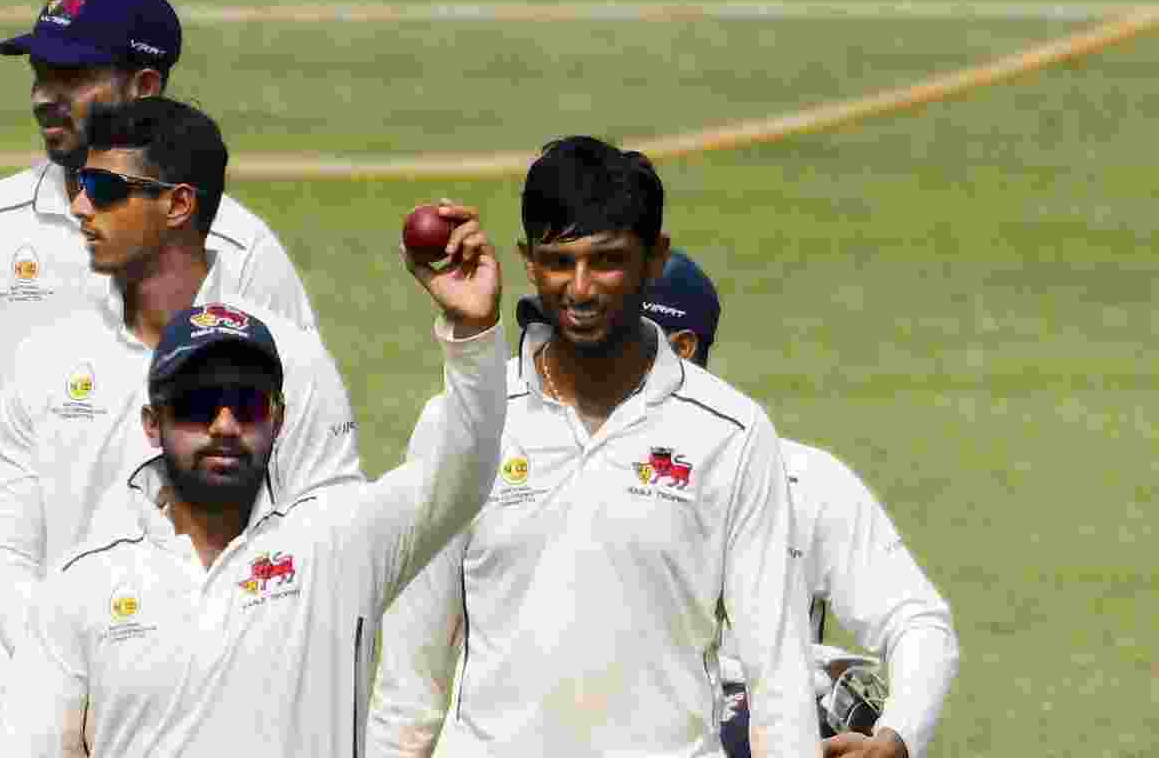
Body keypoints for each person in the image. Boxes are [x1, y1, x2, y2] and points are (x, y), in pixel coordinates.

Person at [0, 0, 317, 758]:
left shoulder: (241, 251)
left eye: (72, 77)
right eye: (39, 75)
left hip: (177, 635)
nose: (45, 96)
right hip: (5, 632)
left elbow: (296, 452)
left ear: (144, 83)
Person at [367, 136, 820, 758]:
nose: (580, 289)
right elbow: (410, 678)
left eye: (606, 261)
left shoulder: (730, 434)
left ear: (655, 259)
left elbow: (778, 672)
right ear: (528, 261)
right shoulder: (462, 424)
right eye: (558, 261)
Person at [5, 208, 506, 757]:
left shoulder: (339, 544)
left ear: (279, 419)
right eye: (198, 405)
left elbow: (464, 470)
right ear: (153, 423)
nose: (224, 426)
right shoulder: (81, 589)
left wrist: (474, 333)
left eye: (246, 404)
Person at [0, 97, 363, 662]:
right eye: (82, 182)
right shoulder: (42, 358)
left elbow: (334, 540)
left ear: (179, 204)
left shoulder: (292, 358)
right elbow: (6, 553)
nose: (81, 206)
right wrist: (61, 679)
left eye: (105, 188)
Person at [641, 251, 960, 758]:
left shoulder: (801, 481)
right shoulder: (561, 464)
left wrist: (895, 737)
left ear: (682, 347)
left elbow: (917, 621)